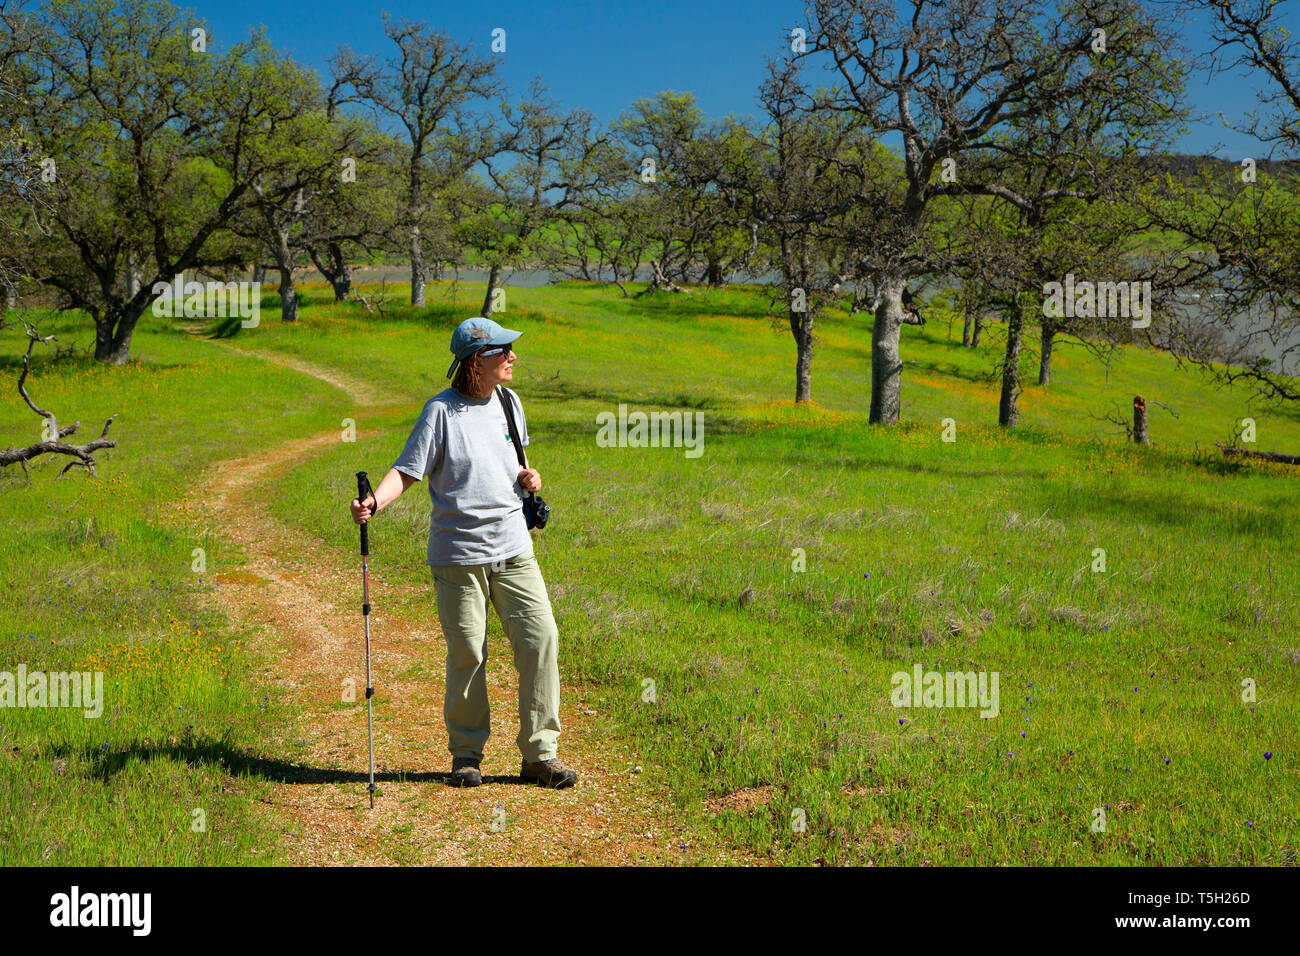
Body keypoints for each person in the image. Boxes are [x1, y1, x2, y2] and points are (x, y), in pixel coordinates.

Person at [348, 316, 577, 790]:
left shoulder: (510, 403)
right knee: (469, 652)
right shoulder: (441, 413)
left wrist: (529, 478)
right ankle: (467, 755)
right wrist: (374, 503)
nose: (512, 357)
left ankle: (540, 755)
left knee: (541, 641)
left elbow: (514, 464)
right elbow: (408, 470)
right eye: (503, 351)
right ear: (478, 361)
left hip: (514, 548)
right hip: (458, 555)